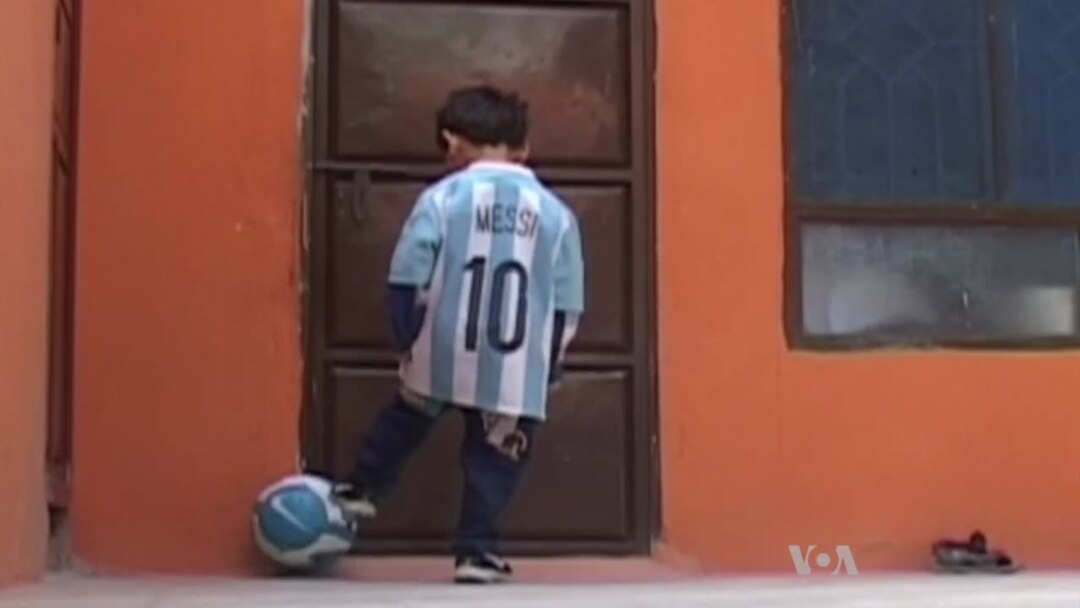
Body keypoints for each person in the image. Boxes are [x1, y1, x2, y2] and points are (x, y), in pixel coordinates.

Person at [333, 85, 585, 584]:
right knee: (496, 457)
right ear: (523, 149)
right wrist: (550, 361)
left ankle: (361, 491)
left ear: (451, 144)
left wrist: (408, 336)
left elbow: (406, 274)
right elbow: (568, 298)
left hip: (442, 348)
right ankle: (476, 549)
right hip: (514, 364)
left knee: (405, 418)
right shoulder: (557, 215)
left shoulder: (441, 199)